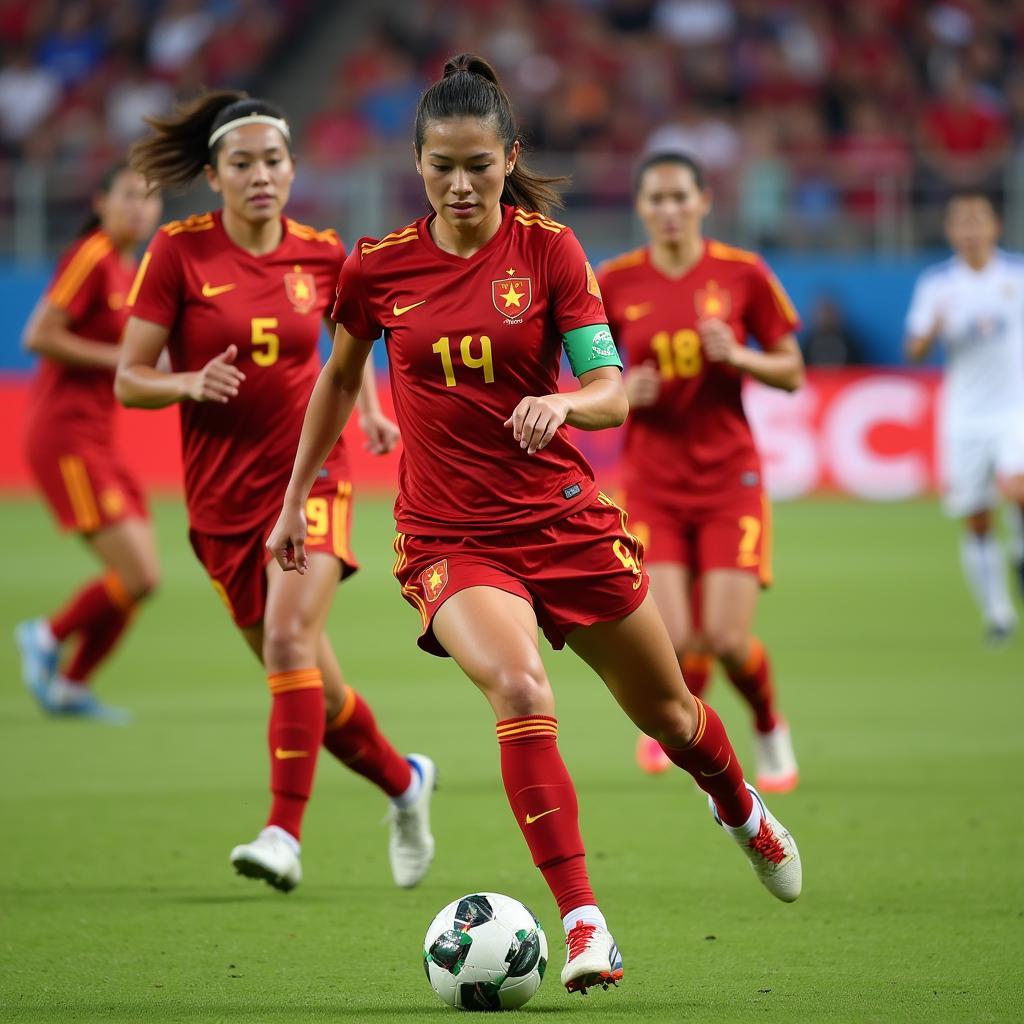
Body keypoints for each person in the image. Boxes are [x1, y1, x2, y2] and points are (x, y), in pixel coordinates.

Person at [268, 55, 802, 997]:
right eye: (442, 166)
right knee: (519, 688)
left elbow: (608, 391)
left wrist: (562, 405)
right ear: (418, 161)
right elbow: (340, 379)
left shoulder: (550, 252)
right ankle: (585, 921)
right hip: (448, 536)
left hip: (562, 522)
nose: (462, 184)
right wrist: (292, 498)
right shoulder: (378, 267)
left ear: (510, 157)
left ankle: (740, 808)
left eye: (480, 164)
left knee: (674, 716)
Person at [114, 91, 435, 893]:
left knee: (290, 644)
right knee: (315, 693)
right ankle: (405, 784)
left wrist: (369, 411)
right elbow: (128, 380)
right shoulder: (178, 254)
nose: (262, 176)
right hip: (221, 505)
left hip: (311, 480)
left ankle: (283, 835)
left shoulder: (324, 255)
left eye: (274, 161)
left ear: (292, 167)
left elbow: (347, 349)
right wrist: (188, 381)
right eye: (243, 164)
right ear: (214, 176)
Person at [597, 152, 803, 790]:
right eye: (655, 200)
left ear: (704, 201)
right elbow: (590, 378)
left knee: (725, 635)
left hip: (728, 480)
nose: (668, 210)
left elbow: (792, 370)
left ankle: (768, 723)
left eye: (679, 197)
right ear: (640, 207)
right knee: (677, 635)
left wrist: (739, 355)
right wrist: (627, 388)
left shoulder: (742, 274)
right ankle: (681, 725)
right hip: (654, 481)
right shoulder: (614, 281)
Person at [16, 162, 163, 723]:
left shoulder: (130, 269)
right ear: (101, 202)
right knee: (137, 573)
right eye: (128, 195)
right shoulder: (93, 254)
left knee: (143, 577)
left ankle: (74, 684)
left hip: (100, 437)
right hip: (65, 435)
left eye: (149, 199)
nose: (139, 208)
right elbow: (39, 335)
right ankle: (46, 635)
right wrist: (123, 361)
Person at [906, 189, 1024, 643]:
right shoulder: (938, 286)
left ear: (996, 227)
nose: (971, 231)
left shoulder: (1015, 276)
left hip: (1015, 410)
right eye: (962, 222)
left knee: (1017, 488)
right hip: (965, 417)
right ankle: (998, 613)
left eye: (979, 221)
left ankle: (1020, 552)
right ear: (951, 231)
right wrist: (932, 331)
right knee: (976, 518)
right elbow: (913, 351)